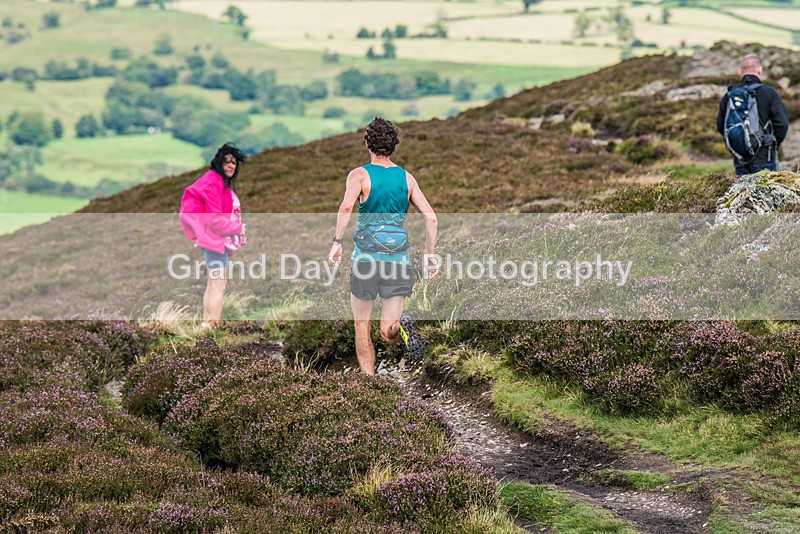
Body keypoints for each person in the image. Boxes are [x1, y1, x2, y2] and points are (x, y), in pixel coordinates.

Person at [328, 117, 439, 375]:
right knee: (388, 331)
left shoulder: (359, 175)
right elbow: (431, 218)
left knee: (362, 325)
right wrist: (429, 255)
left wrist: (337, 242)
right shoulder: (407, 179)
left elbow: (346, 207)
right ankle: (401, 328)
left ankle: (369, 382)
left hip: (366, 260)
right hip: (398, 261)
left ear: (367, 143)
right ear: (394, 146)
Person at [180, 143, 247, 329]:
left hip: (211, 239)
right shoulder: (213, 184)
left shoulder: (217, 182)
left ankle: (207, 324)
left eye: (234, 163)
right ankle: (212, 326)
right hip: (213, 240)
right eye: (226, 162)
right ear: (218, 163)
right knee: (219, 284)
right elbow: (214, 221)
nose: (231, 166)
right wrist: (237, 228)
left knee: (213, 283)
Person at [717, 54, 789, 176]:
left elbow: (721, 126)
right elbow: (782, 124)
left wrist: (740, 144)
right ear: (759, 70)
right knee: (768, 193)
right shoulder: (769, 93)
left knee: (743, 193)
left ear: (740, 72)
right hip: (765, 156)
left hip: (740, 158)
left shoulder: (729, 96)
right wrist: (772, 144)